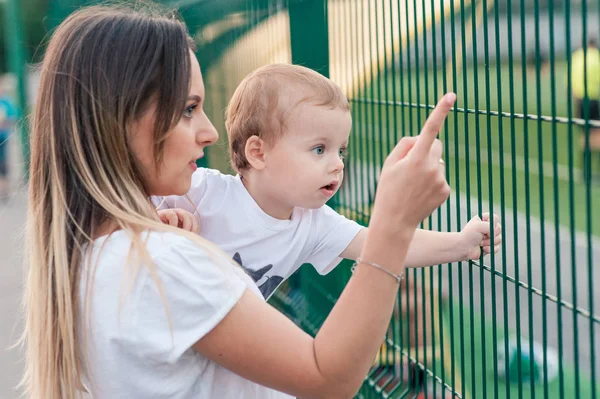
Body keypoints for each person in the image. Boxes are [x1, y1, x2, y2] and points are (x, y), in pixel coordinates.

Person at [24, 3, 455, 398]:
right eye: (188, 109)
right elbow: (329, 377)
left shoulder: (92, 253)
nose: (210, 132)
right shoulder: (161, 264)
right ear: (120, 117)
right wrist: (395, 222)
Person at [155, 64, 501, 300]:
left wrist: (461, 244)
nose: (337, 164)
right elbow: (122, 200)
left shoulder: (313, 225)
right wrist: (153, 220)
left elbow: (381, 243)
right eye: (319, 149)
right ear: (258, 153)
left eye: (341, 151)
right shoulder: (200, 192)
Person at [571, 37, 600, 182]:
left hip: (580, 100)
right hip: (593, 99)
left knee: (584, 134)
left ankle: (585, 171)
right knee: (597, 134)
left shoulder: (576, 56)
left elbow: (570, 81)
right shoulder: (596, 56)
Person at [0, 85, 17, 199]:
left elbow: (13, 117)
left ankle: (5, 189)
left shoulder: (6, 102)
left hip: (3, 137)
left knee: (4, 163)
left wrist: (5, 123)